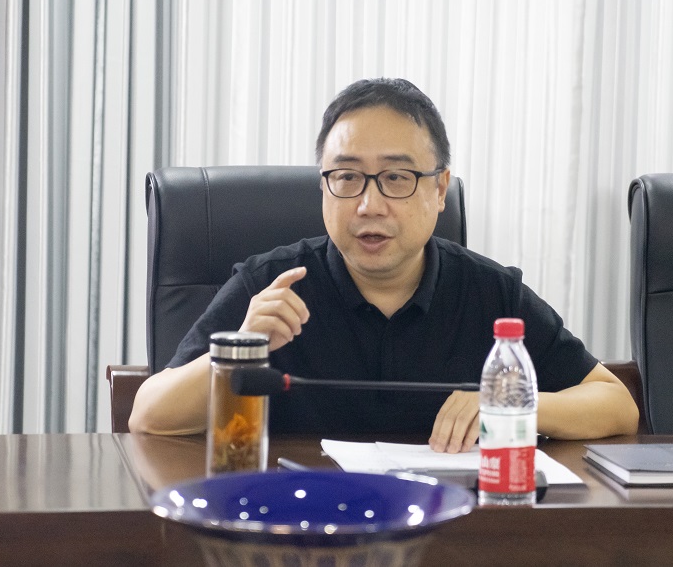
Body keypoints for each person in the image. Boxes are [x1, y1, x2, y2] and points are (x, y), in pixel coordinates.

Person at [129, 78, 639, 452]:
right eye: (347, 177)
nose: (369, 205)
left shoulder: (490, 293)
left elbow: (615, 405)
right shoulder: (273, 285)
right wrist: (241, 348)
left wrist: (509, 405)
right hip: (302, 529)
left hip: (448, 531)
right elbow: (148, 416)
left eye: (396, 178)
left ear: (439, 190)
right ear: (323, 186)